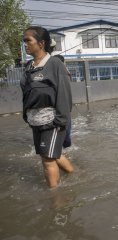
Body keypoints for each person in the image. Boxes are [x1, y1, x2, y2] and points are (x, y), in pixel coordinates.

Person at [21, 26, 74, 188]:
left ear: (41, 43)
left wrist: (60, 120)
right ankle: (76, 175)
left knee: (47, 160)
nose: (25, 45)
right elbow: (26, 93)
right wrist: (26, 116)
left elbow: (64, 95)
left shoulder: (55, 64)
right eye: (24, 41)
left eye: (28, 40)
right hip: (35, 120)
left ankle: (55, 201)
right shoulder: (29, 67)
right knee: (51, 155)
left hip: (52, 121)